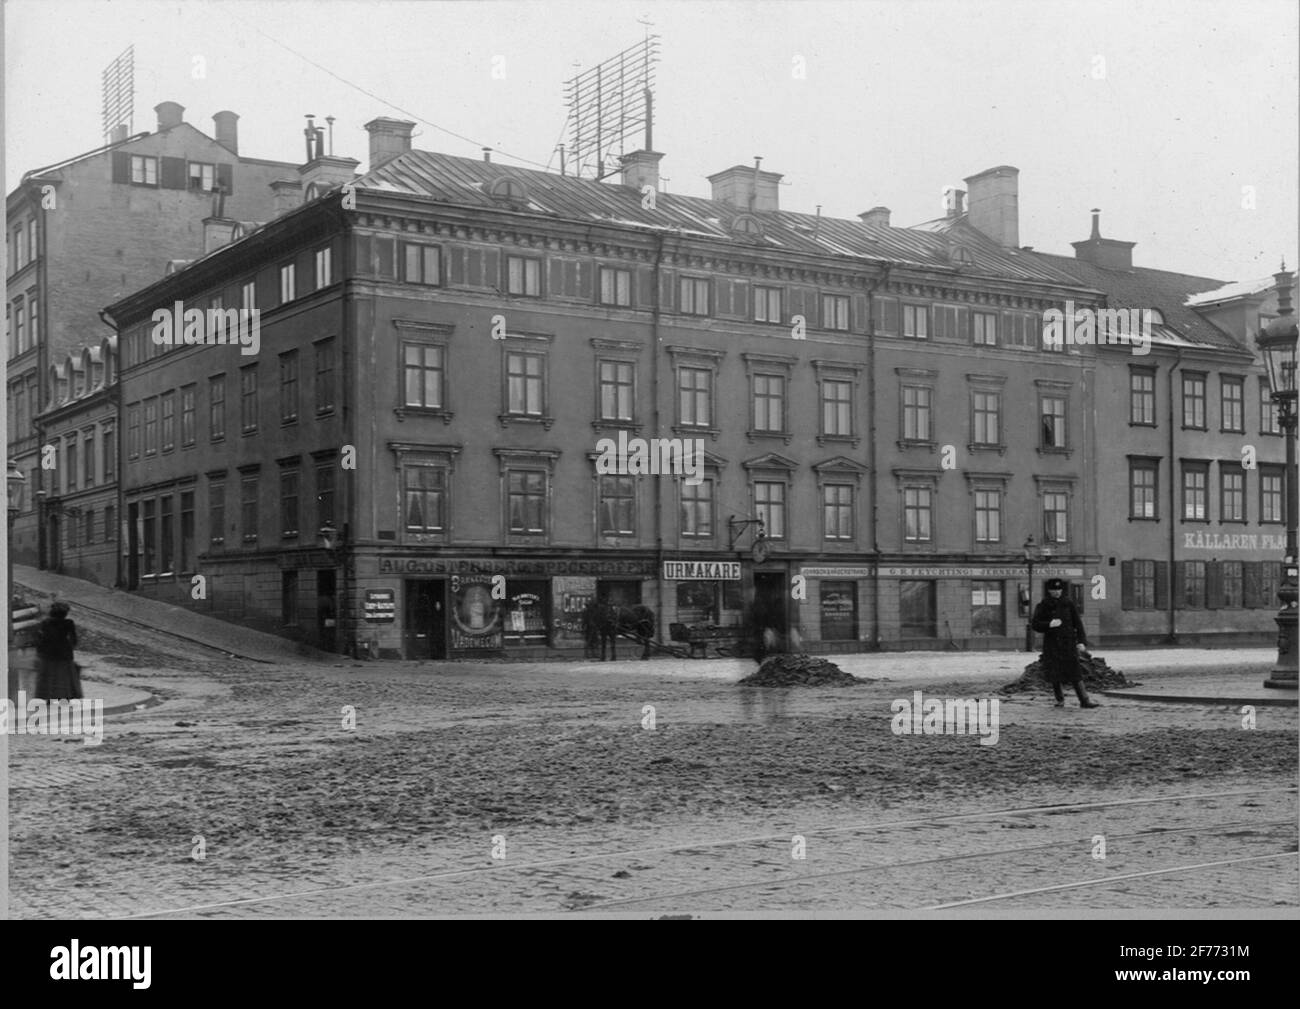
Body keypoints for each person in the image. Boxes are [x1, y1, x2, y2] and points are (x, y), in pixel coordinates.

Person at [1031, 578, 1099, 709]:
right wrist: (1049, 624)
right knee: (1054, 673)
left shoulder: (1068, 604)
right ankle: (1060, 700)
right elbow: (1035, 624)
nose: (1057, 592)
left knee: (1075, 672)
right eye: (1054, 590)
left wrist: (1081, 641)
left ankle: (1084, 700)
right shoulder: (1043, 605)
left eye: (1059, 589)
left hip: (1068, 643)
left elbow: (1078, 623)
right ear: (1049, 591)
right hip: (1052, 644)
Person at [34, 600, 82, 701]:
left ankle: (47, 696)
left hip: (48, 652)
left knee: (48, 675)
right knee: (63, 676)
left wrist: (40, 650)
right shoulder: (69, 623)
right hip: (64, 653)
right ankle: (64, 696)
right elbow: (74, 639)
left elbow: (40, 638)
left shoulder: (45, 623)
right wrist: (70, 647)